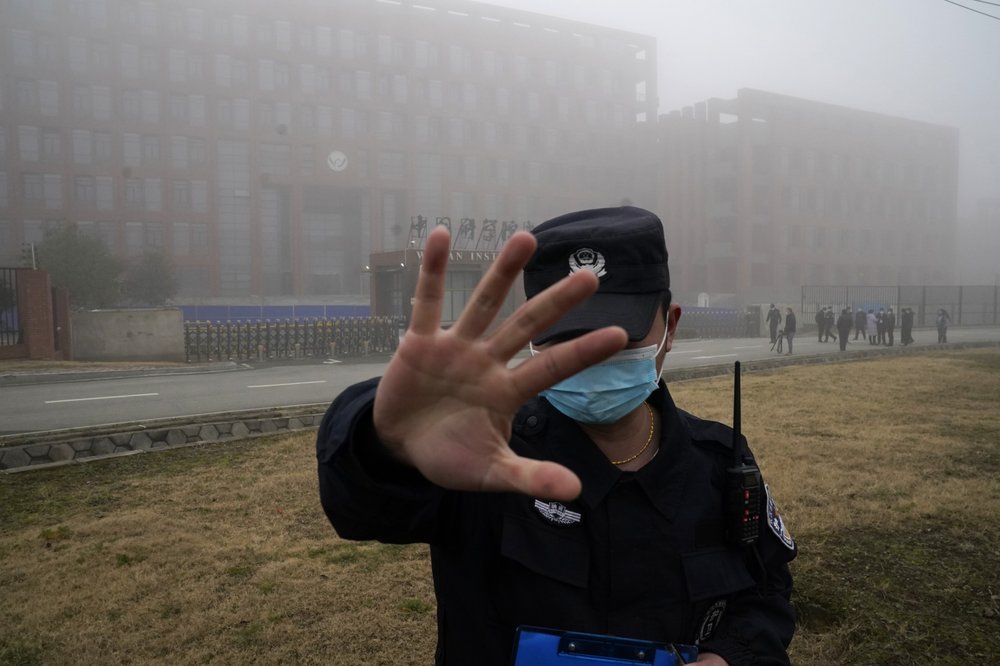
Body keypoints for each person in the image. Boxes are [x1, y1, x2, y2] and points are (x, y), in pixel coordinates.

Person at [316, 207, 796, 666]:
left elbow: (767, 590)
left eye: (616, 332)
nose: (588, 357)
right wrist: (386, 442)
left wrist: (733, 656)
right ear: (533, 336)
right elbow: (360, 508)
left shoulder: (718, 462)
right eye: (565, 334)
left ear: (669, 326)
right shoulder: (484, 454)